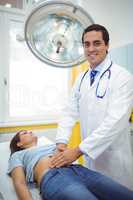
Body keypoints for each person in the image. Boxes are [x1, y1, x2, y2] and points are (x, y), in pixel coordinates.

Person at [51, 24, 133, 189]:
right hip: (90, 159)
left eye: (97, 43)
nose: (91, 49)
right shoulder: (81, 78)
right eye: (86, 44)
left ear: (107, 45)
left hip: (114, 160)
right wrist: (61, 142)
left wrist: (78, 150)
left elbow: (114, 123)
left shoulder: (122, 77)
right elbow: (69, 111)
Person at [8, 130, 133, 200]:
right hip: (55, 178)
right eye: (24, 133)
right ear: (18, 144)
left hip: (81, 171)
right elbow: (19, 183)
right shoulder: (18, 155)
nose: (30, 131)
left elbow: (70, 154)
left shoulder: (51, 145)